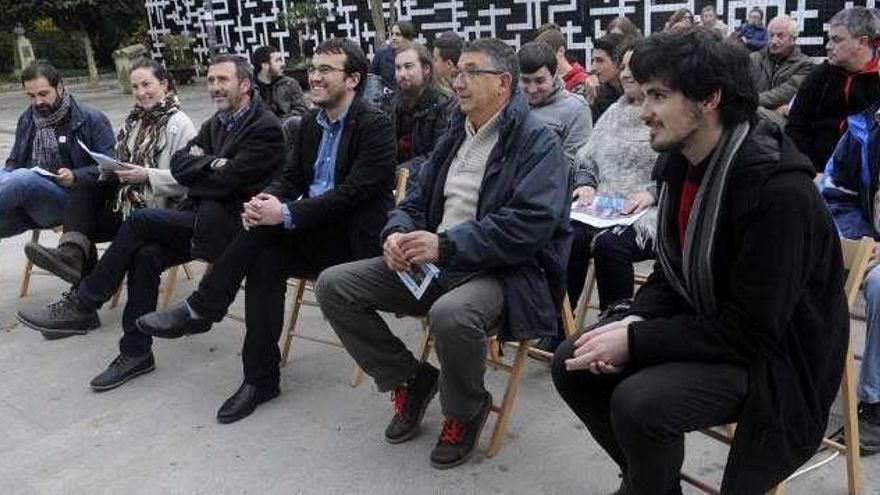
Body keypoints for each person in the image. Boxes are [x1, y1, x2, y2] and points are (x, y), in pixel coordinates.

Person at [552, 29, 849, 494]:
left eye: (658, 96)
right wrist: (635, 317)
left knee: (639, 402)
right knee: (573, 359)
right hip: (717, 325)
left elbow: (754, 329)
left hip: (779, 359)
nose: (642, 110)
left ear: (710, 99)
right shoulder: (682, 163)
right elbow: (676, 271)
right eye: (643, 93)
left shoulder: (779, 192)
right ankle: (652, 485)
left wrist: (638, 338)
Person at [314, 38, 571, 469]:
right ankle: (409, 379)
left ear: (504, 83)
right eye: (458, 71)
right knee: (334, 285)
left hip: (502, 271)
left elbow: (527, 227)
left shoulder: (537, 143)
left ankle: (465, 409)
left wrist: (446, 245)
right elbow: (415, 196)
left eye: (472, 72)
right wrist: (397, 234)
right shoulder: (457, 130)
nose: (459, 79)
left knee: (451, 315)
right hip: (437, 259)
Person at [133, 38, 397, 424]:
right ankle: (260, 380)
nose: (314, 77)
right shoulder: (309, 123)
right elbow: (289, 177)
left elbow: (352, 196)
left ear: (353, 79)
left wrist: (284, 213)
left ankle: (203, 309)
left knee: (262, 235)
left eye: (326, 70)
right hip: (313, 229)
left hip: (353, 239)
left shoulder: (374, 126)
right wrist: (265, 201)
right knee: (263, 256)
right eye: (313, 69)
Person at [17, 55, 284, 390]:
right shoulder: (218, 122)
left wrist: (205, 167)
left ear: (245, 85)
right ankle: (135, 353)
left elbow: (220, 180)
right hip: (194, 214)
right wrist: (211, 166)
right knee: (144, 255)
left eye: (222, 80)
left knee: (140, 220)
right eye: (211, 79)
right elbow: (185, 163)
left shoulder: (264, 127)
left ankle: (84, 301)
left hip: (229, 230)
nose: (214, 87)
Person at [23, 59, 196, 285]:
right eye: (135, 87)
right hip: (127, 201)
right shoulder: (134, 121)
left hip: (156, 208)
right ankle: (71, 258)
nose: (141, 93)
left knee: (80, 225)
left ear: (164, 85)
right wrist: (109, 168)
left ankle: (81, 298)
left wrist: (147, 175)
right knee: (81, 199)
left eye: (146, 85)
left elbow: (191, 180)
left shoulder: (181, 124)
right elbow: (120, 162)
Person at [547, 42, 658, 354]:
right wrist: (586, 183)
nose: (625, 74)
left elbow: (683, 171)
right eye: (622, 66)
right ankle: (560, 324)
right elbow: (586, 158)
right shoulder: (614, 111)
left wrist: (652, 193)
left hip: (652, 213)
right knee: (571, 234)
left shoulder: (667, 113)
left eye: (632, 67)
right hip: (606, 205)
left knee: (611, 244)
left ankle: (612, 329)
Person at [819, 100, 880, 456]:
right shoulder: (865, 126)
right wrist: (862, 241)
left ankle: (874, 403)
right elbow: (837, 192)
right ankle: (795, 387)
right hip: (872, 241)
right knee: (807, 257)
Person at [2, 62, 115, 240]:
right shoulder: (28, 118)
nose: (37, 102)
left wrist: (75, 176)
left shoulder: (91, 119)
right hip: (28, 201)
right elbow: (14, 162)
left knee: (23, 178)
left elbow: (112, 169)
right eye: (31, 96)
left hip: (72, 203)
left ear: (60, 87)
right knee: (9, 175)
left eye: (43, 94)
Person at [787, 6, 880, 173]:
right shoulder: (819, 77)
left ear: (862, 42)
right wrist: (811, 171)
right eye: (829, 39)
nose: (828, 46)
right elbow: (795, 127)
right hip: (816, 174)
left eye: (837, 40)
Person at [381, 40, 453, 178]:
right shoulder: (391, 103)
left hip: (425, 182)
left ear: (426, 69)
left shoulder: (444, 105)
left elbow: (438, 156)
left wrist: (399, 172)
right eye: (398, 68)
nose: (402, 74)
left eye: (408, 67)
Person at [517, 41, 591, 169]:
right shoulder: (509, 105)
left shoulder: (575, 109)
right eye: (525, 81)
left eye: (540, 81)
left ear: (555, 74)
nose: (532, 89)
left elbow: (577, 163)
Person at [749, 15, 814, 121]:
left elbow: (784, 94)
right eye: (771, 35)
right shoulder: (754, 58)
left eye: (780, 36)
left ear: (793, 39)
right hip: (750, 119)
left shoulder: (806, 65)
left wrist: (747, 101)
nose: (774, 41)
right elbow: (741, 88)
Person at [251, 45, 308, 120]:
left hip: (287, 125)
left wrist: (283, 121)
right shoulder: (250, 88)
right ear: (264, 65)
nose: (282, 64)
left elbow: (301, 108)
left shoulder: (289, 83)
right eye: (278, 60)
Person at [535, 25, 590, 100]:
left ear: (561, 51)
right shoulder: (548, 79)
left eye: (548, 53)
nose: (544, 58)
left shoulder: (581, 81)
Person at [370, 20, 416, 91]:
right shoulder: (381, 54)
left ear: (408, 38)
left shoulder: (417, 55)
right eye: (392, 34)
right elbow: (371, 80)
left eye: (398, 34)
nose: (393, 38)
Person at [590, 34, 625, 122]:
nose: (594, 67)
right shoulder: (599, 96)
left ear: (617, 61)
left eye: (600, 61)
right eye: (593, 61)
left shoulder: (635, 92)